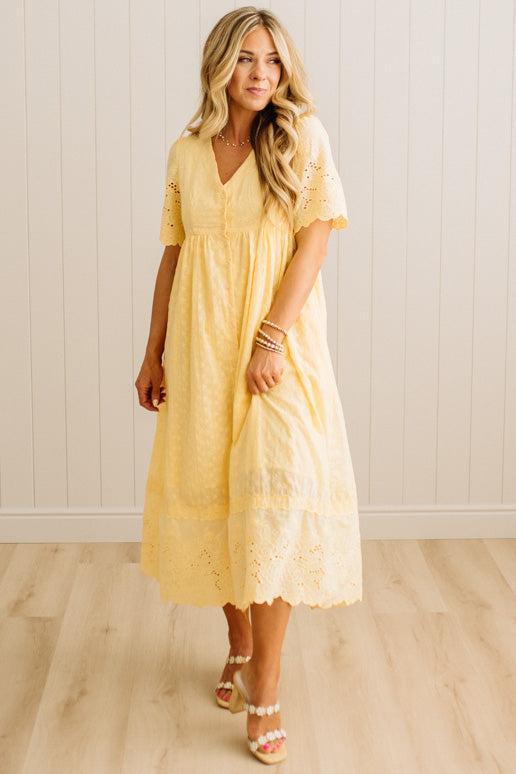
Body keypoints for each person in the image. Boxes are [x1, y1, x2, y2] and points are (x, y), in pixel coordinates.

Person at [135, 6, 362, 765]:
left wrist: (271, 336)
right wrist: (153, 351)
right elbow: (174, 256)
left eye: (272, 59)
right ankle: (236, 646)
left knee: (273, 507)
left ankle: (266, 684)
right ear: (218, 67)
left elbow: (315, 242)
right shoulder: (187, 152)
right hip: (199, 354)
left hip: (278, 357)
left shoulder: (303, 140)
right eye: (245, 59)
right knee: (221, 497)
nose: (260, 73)